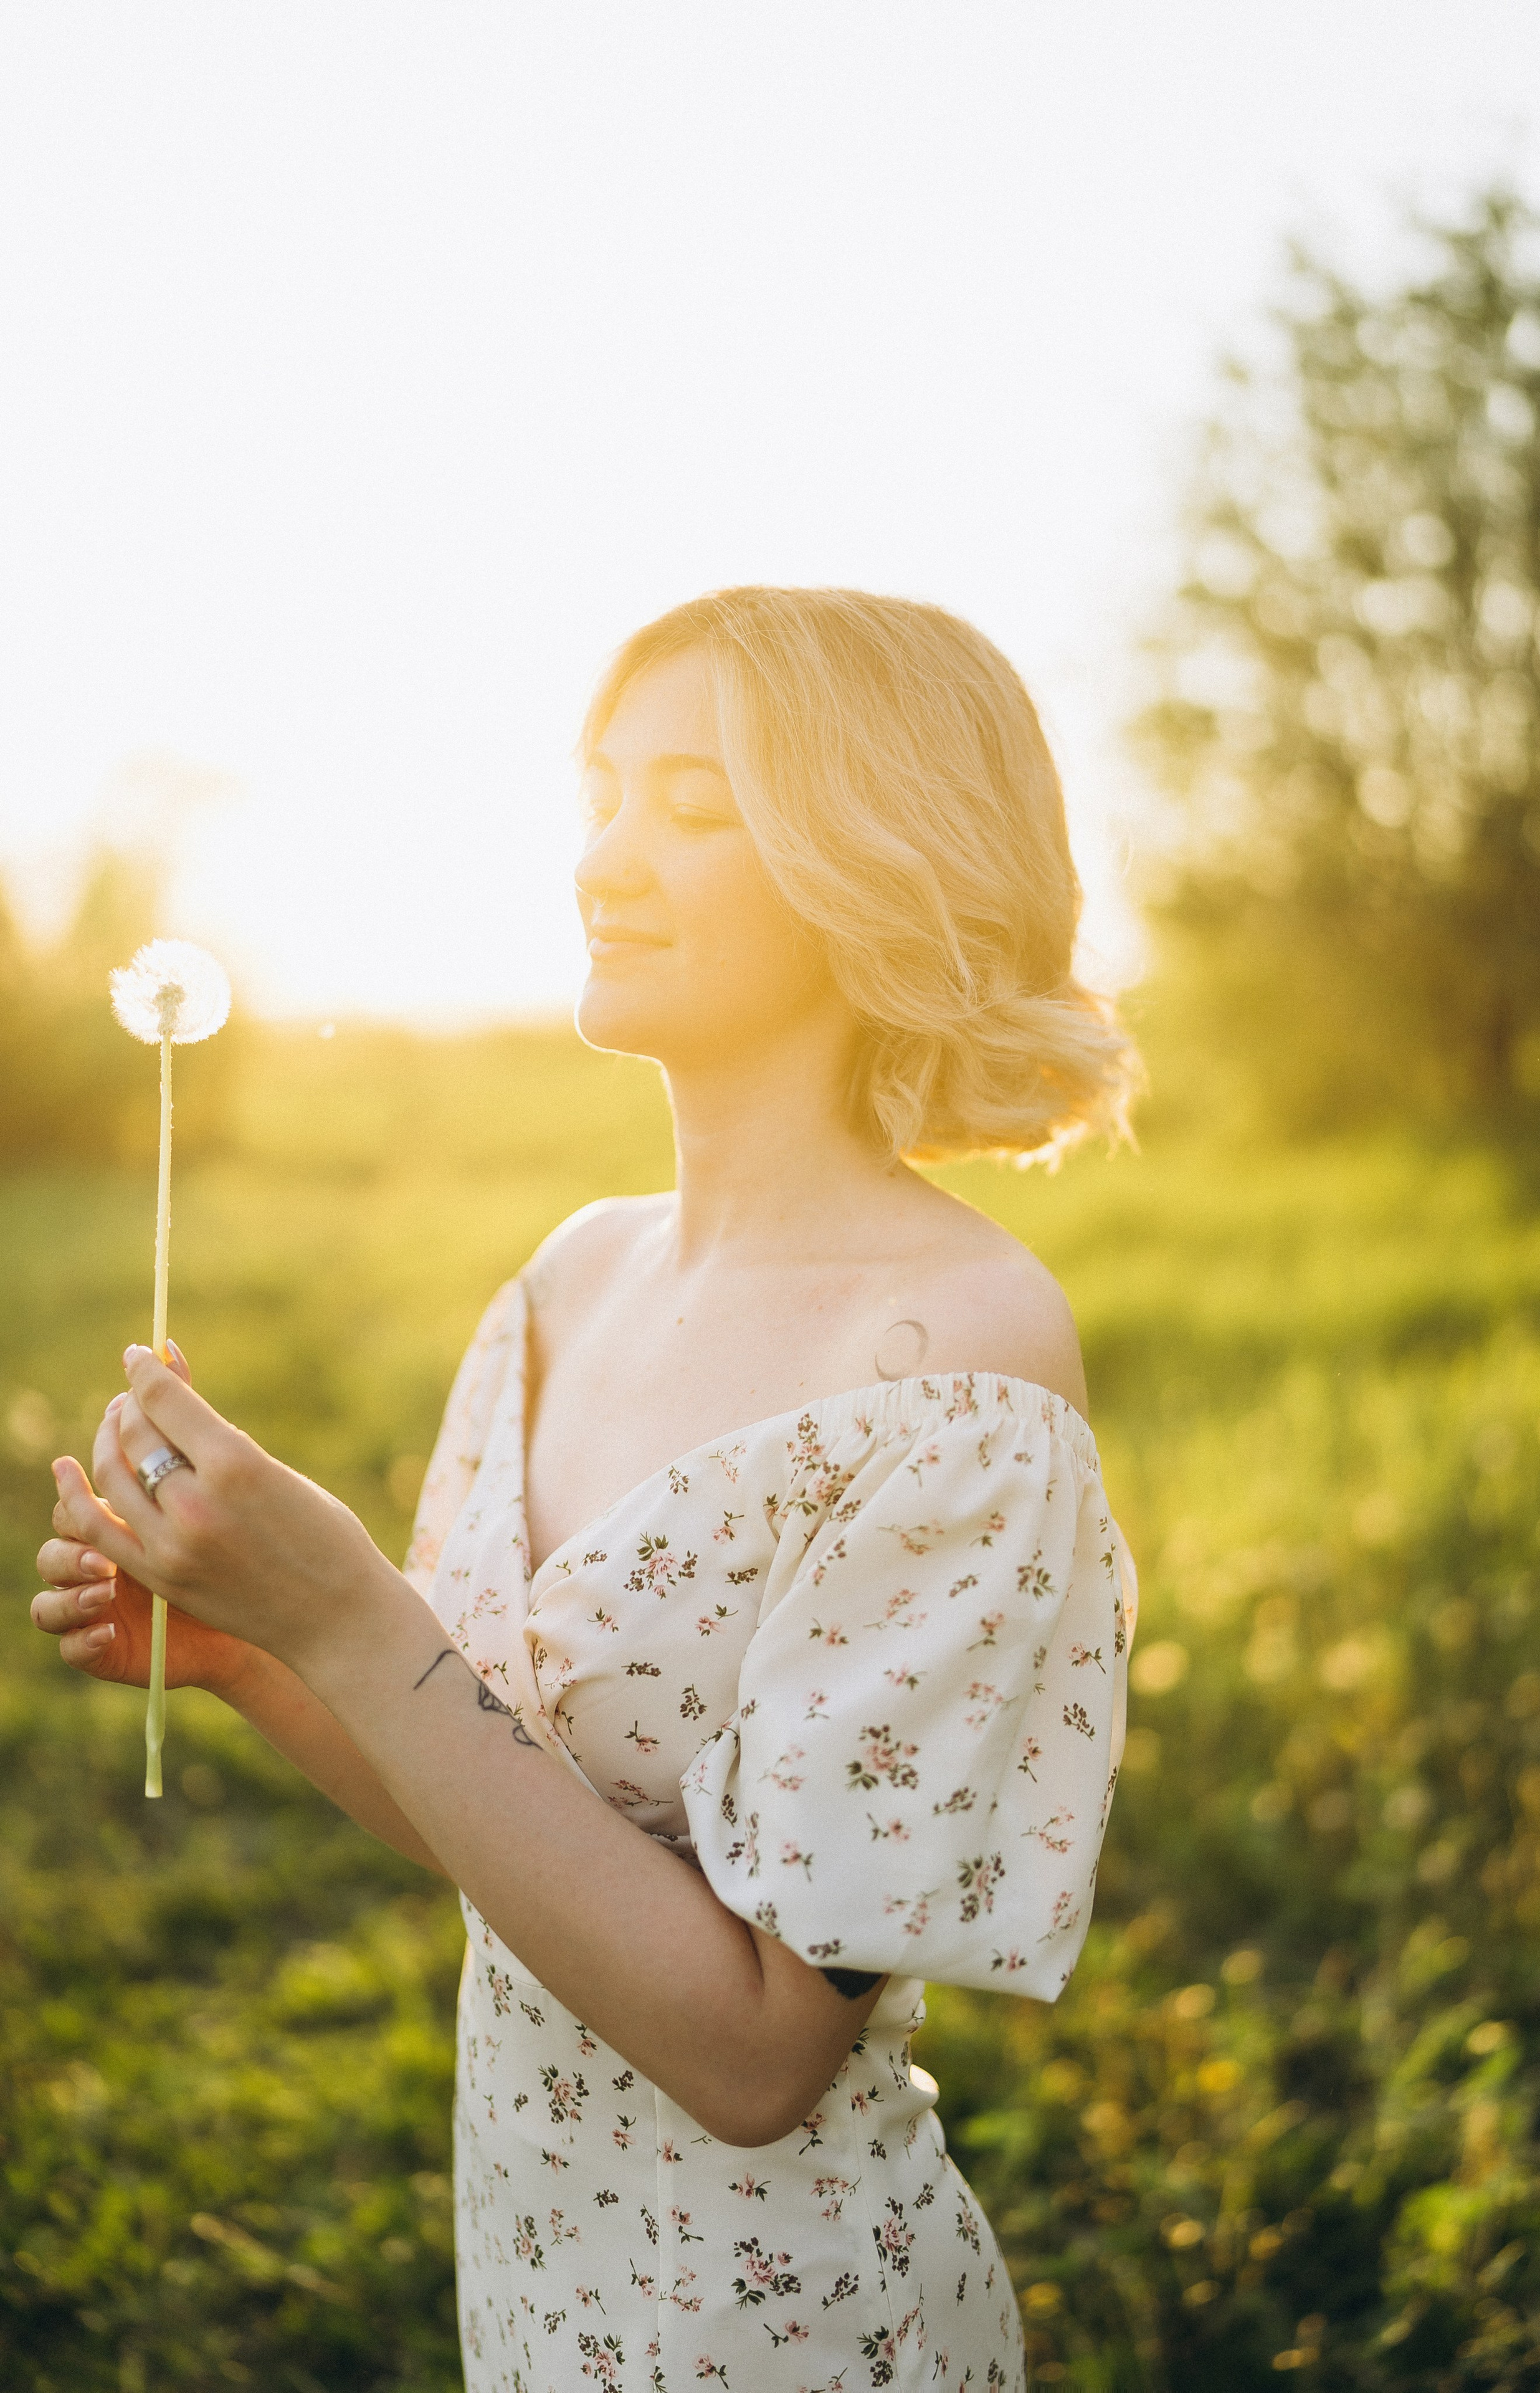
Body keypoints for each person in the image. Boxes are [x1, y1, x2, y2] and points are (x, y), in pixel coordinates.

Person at [36, 586, 1139, 2392]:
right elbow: (513, 1830)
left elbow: (760, 2055)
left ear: (873, 855)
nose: (610, 858)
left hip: (795, 2336)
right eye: (605, 795)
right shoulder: (568, 1279)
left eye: (697, 808)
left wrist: (343, 1614)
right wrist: (257, 1660)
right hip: (540, 2307)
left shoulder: (960, 1355)